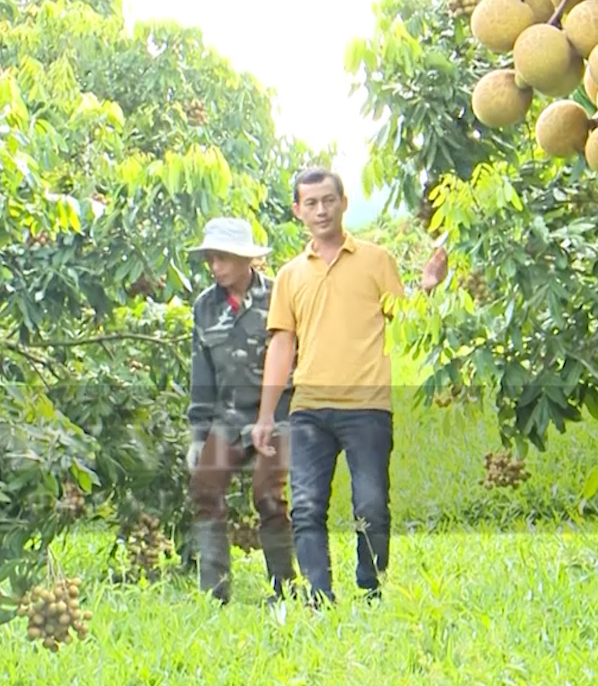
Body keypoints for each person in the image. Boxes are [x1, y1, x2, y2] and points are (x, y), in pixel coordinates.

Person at [251, 167, 444, 605]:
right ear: (298, 210)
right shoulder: (290, 275)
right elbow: (282, 345)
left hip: (368, 407)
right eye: (311, 203)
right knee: (306, 508)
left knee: (371, 506)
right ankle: (320, 598)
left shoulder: (377, 261)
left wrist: (427, 290)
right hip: (309, 410)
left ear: (343, 203)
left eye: (328, 200)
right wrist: (265, 415)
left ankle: (370, 588)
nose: (321, 210)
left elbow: (408, 324)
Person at [186, 216, 298, 604]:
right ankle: (214, 593)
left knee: (267, 494)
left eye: (222, 258)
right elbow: (201, 375)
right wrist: (198, 436)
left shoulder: (278, 297)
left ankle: (284, 589)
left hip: (278, 417)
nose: (215, 266)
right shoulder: (204, 307)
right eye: (211, 259)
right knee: (204, 489)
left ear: (246, 259)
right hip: (228, 419)